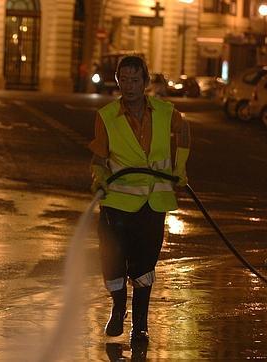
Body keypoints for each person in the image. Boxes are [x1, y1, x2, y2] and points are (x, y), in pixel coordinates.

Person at [88, 55, 190, 344]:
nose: (129, 86)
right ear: (117, 81)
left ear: (145, 82)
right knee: (112, 263)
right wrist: (98, 178)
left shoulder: (165, 111)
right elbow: (99, 156)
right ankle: (118, 309)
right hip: (117, 205)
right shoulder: (106, 116)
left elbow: (184, 133)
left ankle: (140, 326)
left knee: (145, 267)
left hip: (153, 204)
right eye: (124, 80)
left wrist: (180, 169)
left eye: (135, 80)